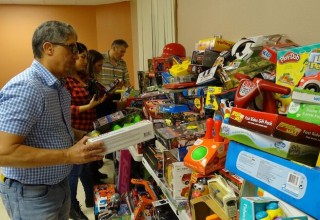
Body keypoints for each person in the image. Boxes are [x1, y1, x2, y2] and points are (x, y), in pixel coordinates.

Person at [0, 21, 106, 220]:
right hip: (33, 195)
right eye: (71, 47)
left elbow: (54, 128)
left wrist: (87, 137)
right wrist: (68, 155)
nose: (76, 54)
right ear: (48, 48)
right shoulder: (27, 87)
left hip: (58, 185)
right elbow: (4, 152)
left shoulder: (58, 86)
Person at [65, 43, 107, 220]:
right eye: (81, 56)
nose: (82, 60)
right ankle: (72, 206)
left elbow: (97, 91)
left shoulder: (84, 76)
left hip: (89, 127)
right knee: (75, 170)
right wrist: (86, 107)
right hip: (75, 130)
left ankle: (91, 197)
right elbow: (65, 109)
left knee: (86, 167)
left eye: (83, 56)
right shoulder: (65, 80)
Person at [96, 39, 131, 117]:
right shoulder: (100, 58)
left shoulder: (123, 63)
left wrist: (126, 96)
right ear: (114, 48)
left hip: (117, 98)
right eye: (122, 51)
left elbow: (127, 83)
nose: (123, 54)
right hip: (103, 99)